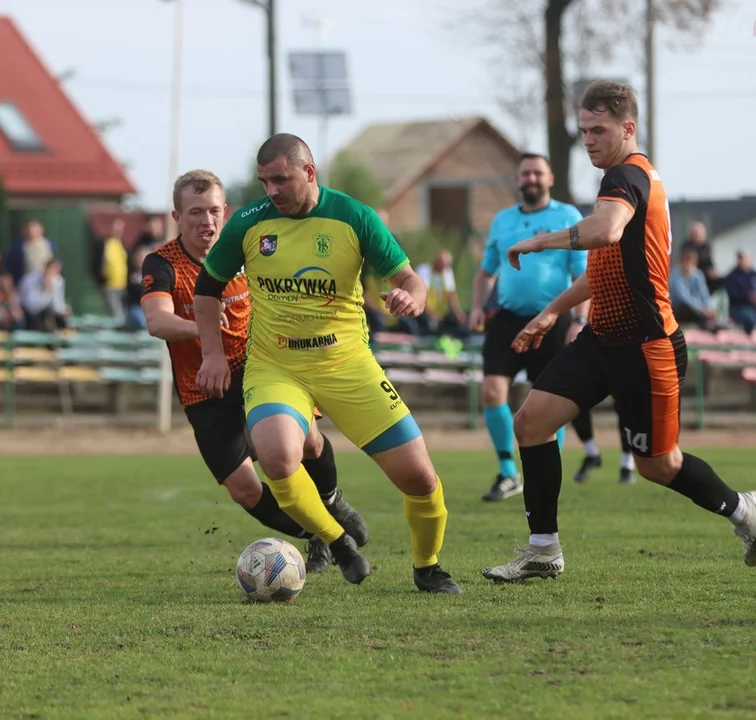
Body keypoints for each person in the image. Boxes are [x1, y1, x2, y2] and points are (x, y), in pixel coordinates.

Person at [482, 80, 756, 583]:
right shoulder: (618, 181)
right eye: (583, 130)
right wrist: (551, 313)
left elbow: (606, 230)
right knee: (530, 423)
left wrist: (540, 241)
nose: (589, 139)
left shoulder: (627, 176)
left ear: (627, 128)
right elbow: (604, 268)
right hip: (600, 340)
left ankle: (742, 508)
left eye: (599, 129)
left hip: (647, 345)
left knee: (657, 466)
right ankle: (543, 549)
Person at [193, 134, 460, 594]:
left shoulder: (354, 217)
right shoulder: (248, 224)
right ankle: (337, 543)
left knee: (421, 478)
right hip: (277, 368)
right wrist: (213, 353)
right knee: (276, 458)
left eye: (281, 179)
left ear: (309, 172)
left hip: (348, 365)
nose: (272, 190)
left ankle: (428, 566)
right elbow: (206, 290)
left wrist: (409, 298)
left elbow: (410, 279)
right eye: (264, 182)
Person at [140, 169, 368, 573]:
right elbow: (157, 321)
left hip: (260, 369)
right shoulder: (162, 263)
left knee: (307, 445)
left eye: (213, 211)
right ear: (177, 217)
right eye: (194, 212)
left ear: (225, 212)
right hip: (203, 390)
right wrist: (204, 326)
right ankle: (322, 534)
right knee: (244, 490)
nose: (206, 221)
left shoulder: (250, 246)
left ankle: (332, 502)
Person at [469, 152, 622, 500]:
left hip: (554, 319)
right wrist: (477, 307)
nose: (531, 179)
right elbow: (486, 271)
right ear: (518, 180)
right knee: (492, 392)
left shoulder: (567, 216)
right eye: (525, 174)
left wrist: (579, 320)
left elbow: (586, 274)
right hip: (507, 319)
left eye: (537, 173)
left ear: (550, 178)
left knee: (553, 402)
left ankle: (544, 472)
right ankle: (508, 472)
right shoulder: (502, 220)